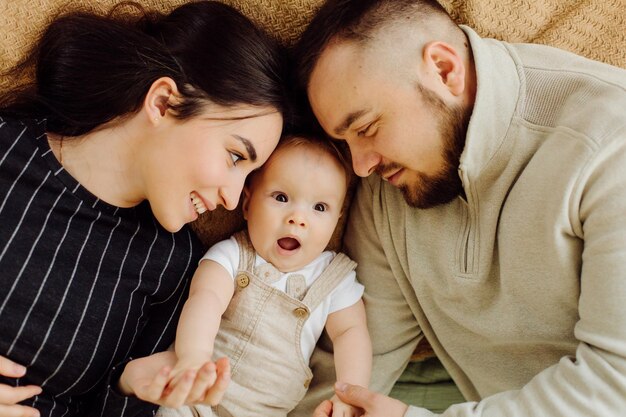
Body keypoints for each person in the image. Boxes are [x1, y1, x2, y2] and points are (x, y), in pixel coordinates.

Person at [289, 0, 626, 416]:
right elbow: (347, 377)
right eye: (346, 143)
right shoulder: (389, 191)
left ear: (445, 70)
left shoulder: (610, 141)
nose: (360, 166)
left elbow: (616, 387)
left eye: (366, 128)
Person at [0, 1, 291, 416]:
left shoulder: (172, 262)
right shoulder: (5, 149)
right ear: (163, 102)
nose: (232, 198)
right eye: (234, 157)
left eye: (250, 177)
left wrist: (129, 385)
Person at [157, 134, 371, 417]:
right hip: (196, 396)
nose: (298, 218)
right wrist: (193, 356)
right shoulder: (232, 255)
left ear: (337, 219)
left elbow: (351, 334)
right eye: (281, 197)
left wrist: (349, 395)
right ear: (247, 204)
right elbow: (205, 298)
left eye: (319, 207)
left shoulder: (334, 279)